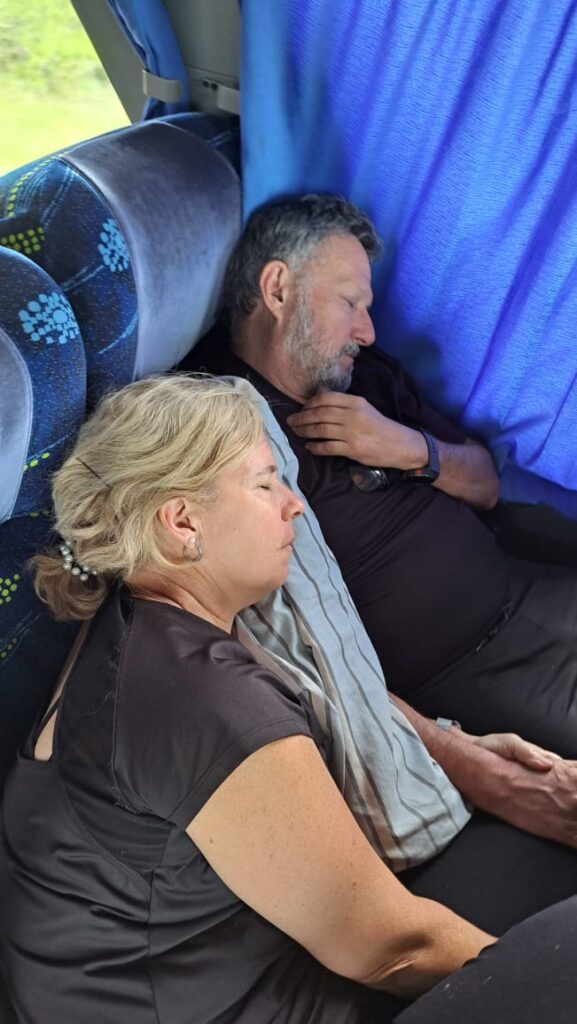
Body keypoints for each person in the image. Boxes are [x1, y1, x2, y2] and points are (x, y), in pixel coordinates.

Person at [1, 373, 577, 1024]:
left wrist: (459, 749)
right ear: (183, 521)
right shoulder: (204, 699)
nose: (294, 505)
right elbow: (392, 950)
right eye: (266, 483)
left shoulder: (134, 636)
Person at [186, 192, 577, 841]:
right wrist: (467, 762)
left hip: (526, 587)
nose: (367, 331)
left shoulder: (365, 379)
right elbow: (294, 659)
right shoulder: (225, 436)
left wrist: (405, 446)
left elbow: (484, 485)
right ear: (277, 288)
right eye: (351, 304)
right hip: (464, 672)